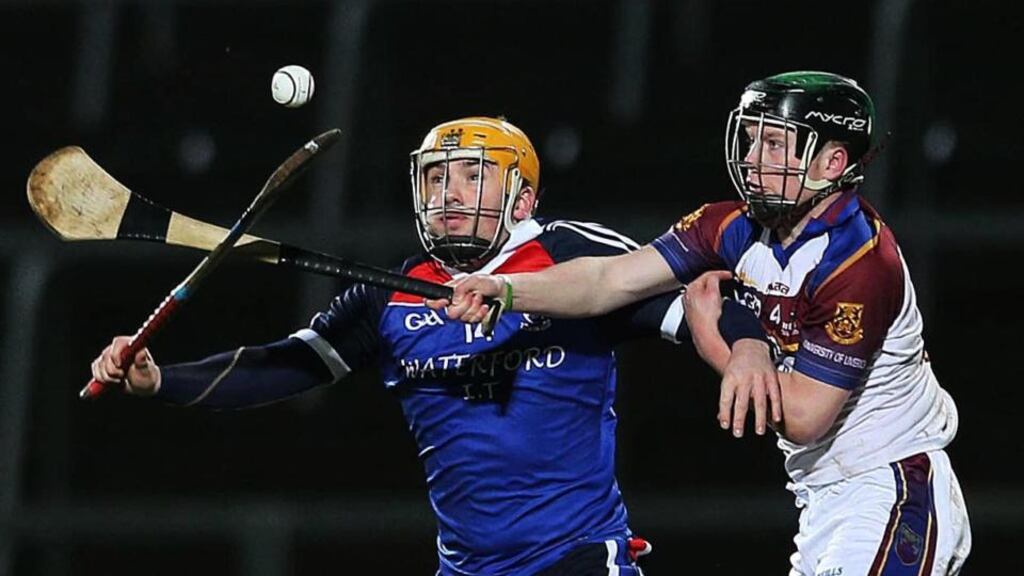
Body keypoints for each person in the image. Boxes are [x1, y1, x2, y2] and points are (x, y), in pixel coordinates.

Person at [90, 116, 768, 575]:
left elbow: (700, 305)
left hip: (580, 559)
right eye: (437, 178)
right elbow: (288, 365)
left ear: (522, 199)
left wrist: (747, 349)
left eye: (473, 176)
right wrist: (163, 380)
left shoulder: (573, 259)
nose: (449, 194)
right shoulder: (391, 293)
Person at [436, 73, 973, 575]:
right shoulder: (730, 224)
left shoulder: (859, 262)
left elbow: (806, 416)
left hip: (893, 483)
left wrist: (719, 345)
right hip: (824, 496)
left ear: (832, 163)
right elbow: (607, 280)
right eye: (751, 140)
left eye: (774, 145)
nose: (752, 159)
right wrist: (507, 289)